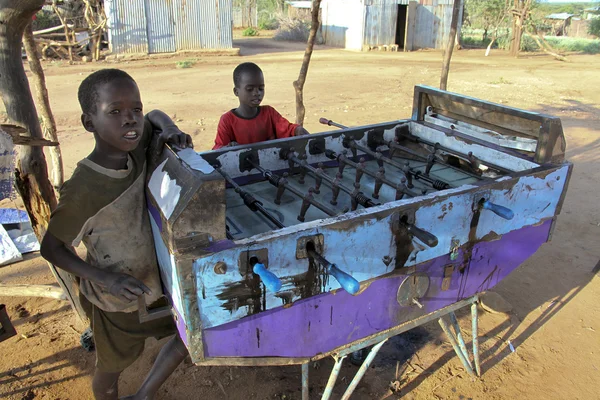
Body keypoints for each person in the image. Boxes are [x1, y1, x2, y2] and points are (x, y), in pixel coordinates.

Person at [40, 68, 192, 400]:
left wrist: (169, 128)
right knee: (111, 370)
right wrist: (104, 279)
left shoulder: (135, 150)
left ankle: (144, 394)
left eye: (133, 110)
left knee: (189, 335)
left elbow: (155, 115)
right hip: (118, 302)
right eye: (115, 112)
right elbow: (52, 248)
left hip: (158, 285)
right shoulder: (83, 191)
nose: (131, 120)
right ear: (88, 122)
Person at [212, 62, 309, 149]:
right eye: (250, 89)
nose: (257, 93)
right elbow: (217, 150)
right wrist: (227, 148)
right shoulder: (227, 121)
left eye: (261, 88)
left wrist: (297, 130)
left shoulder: (269, 113)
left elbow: (287, 129)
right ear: (236, 91)